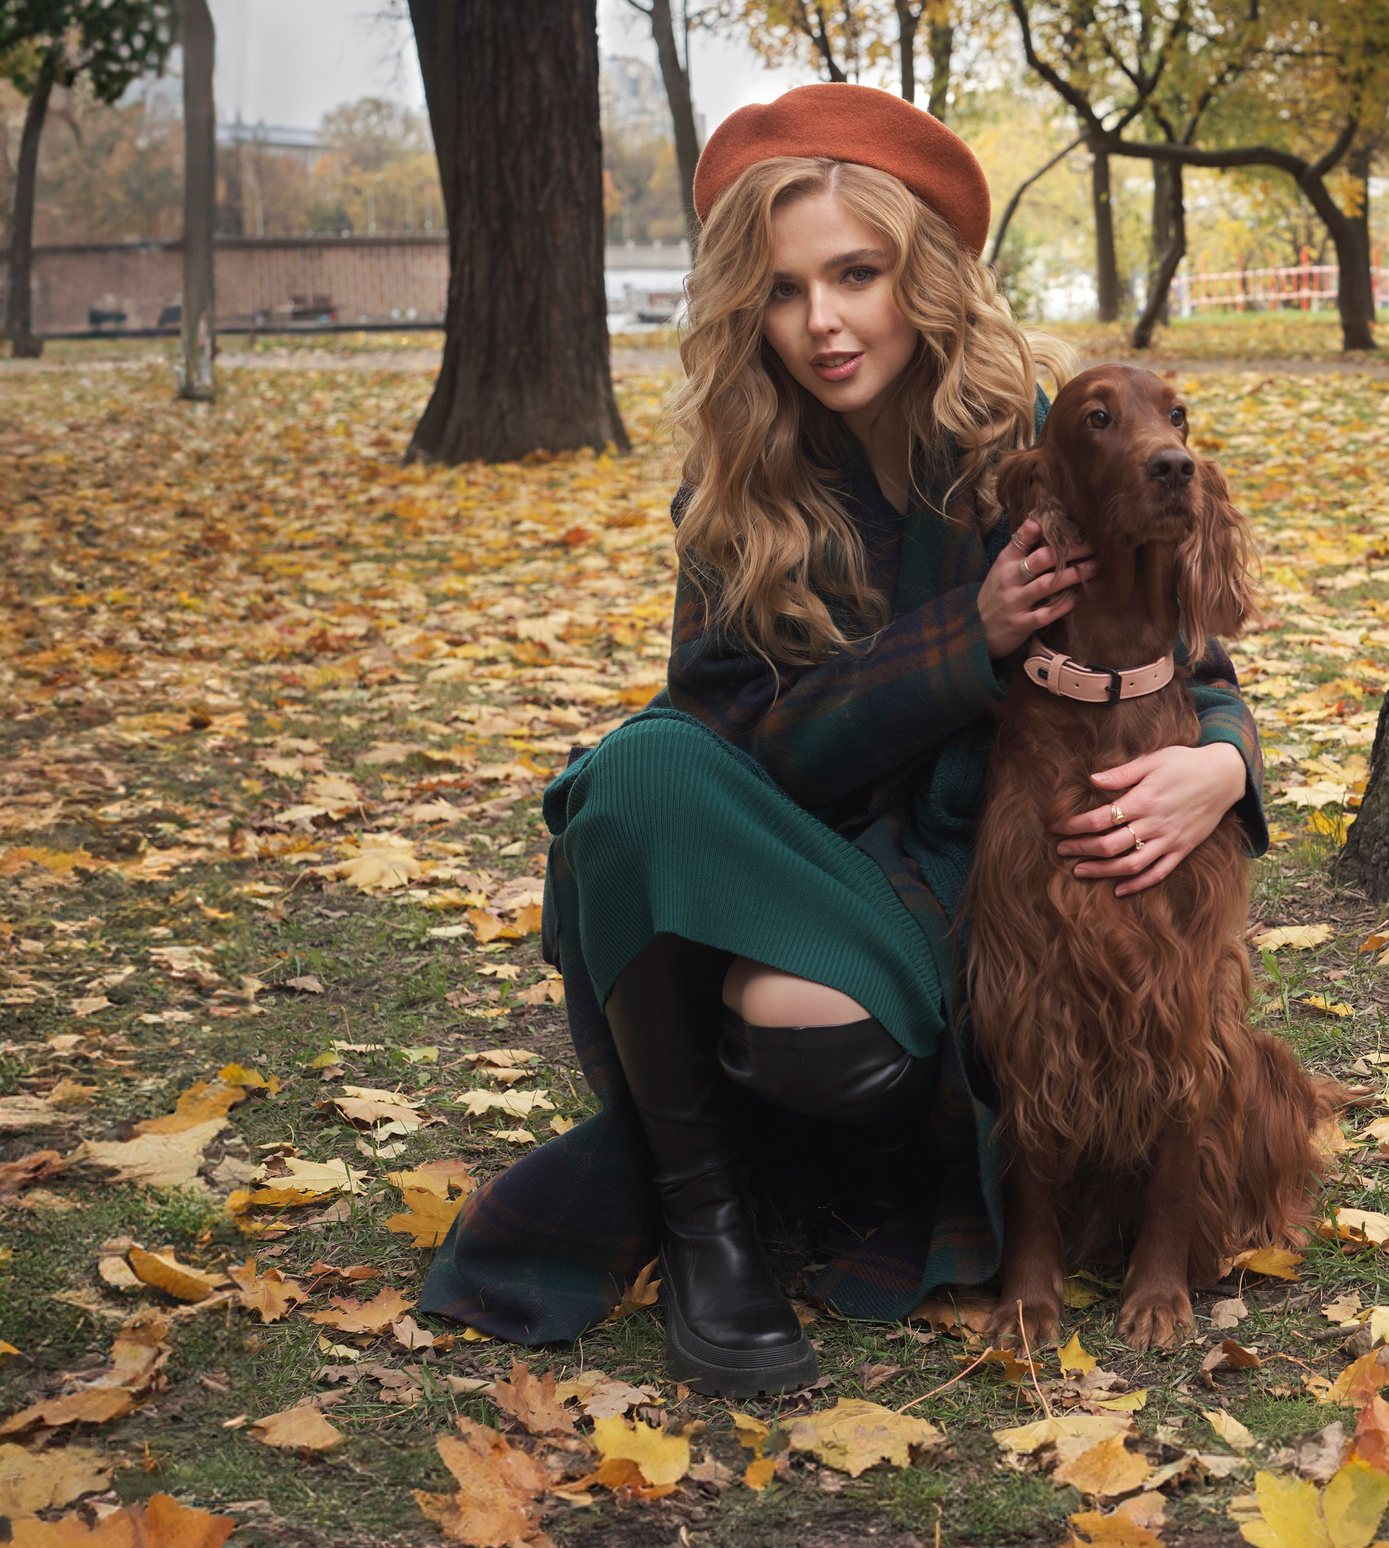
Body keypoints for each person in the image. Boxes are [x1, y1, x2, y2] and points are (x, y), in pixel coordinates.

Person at [422, 85, 1266, 1396]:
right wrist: (960, 642)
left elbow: (1179, 652)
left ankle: (829, 1176)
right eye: (782, 289)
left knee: (812, 1028)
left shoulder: (1026, 435)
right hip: (777, 857)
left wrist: (1224, 765)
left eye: (856, 274)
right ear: (743, 311)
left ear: (917, 275)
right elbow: (728, 764)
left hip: (940, 899)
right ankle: (715, 1241)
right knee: (639, 768)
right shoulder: (734, 491)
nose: (821, 322)